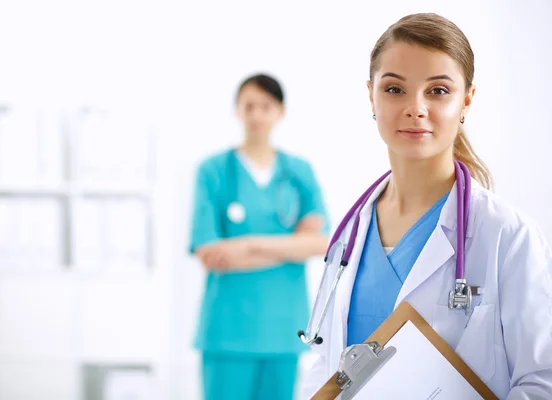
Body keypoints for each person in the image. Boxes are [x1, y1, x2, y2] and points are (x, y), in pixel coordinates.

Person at [302, 13, 552, 400]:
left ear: (466, 100)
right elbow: (325, 366)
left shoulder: (507, 234)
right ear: (371, 95)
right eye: (394, 89)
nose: (415, 108)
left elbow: (542, 381)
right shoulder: (349, 236)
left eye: (437, 91)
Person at [189, 73, 330, 400]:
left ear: (279, 111)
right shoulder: (213, 171)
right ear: (236, 111)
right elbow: (209, 253)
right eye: (249, 106)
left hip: (282, 330)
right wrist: (291, 245)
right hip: (227, 331)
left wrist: (245, 244)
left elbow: (321, 243)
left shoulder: (299, 172)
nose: (256, 115)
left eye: (265, 106)